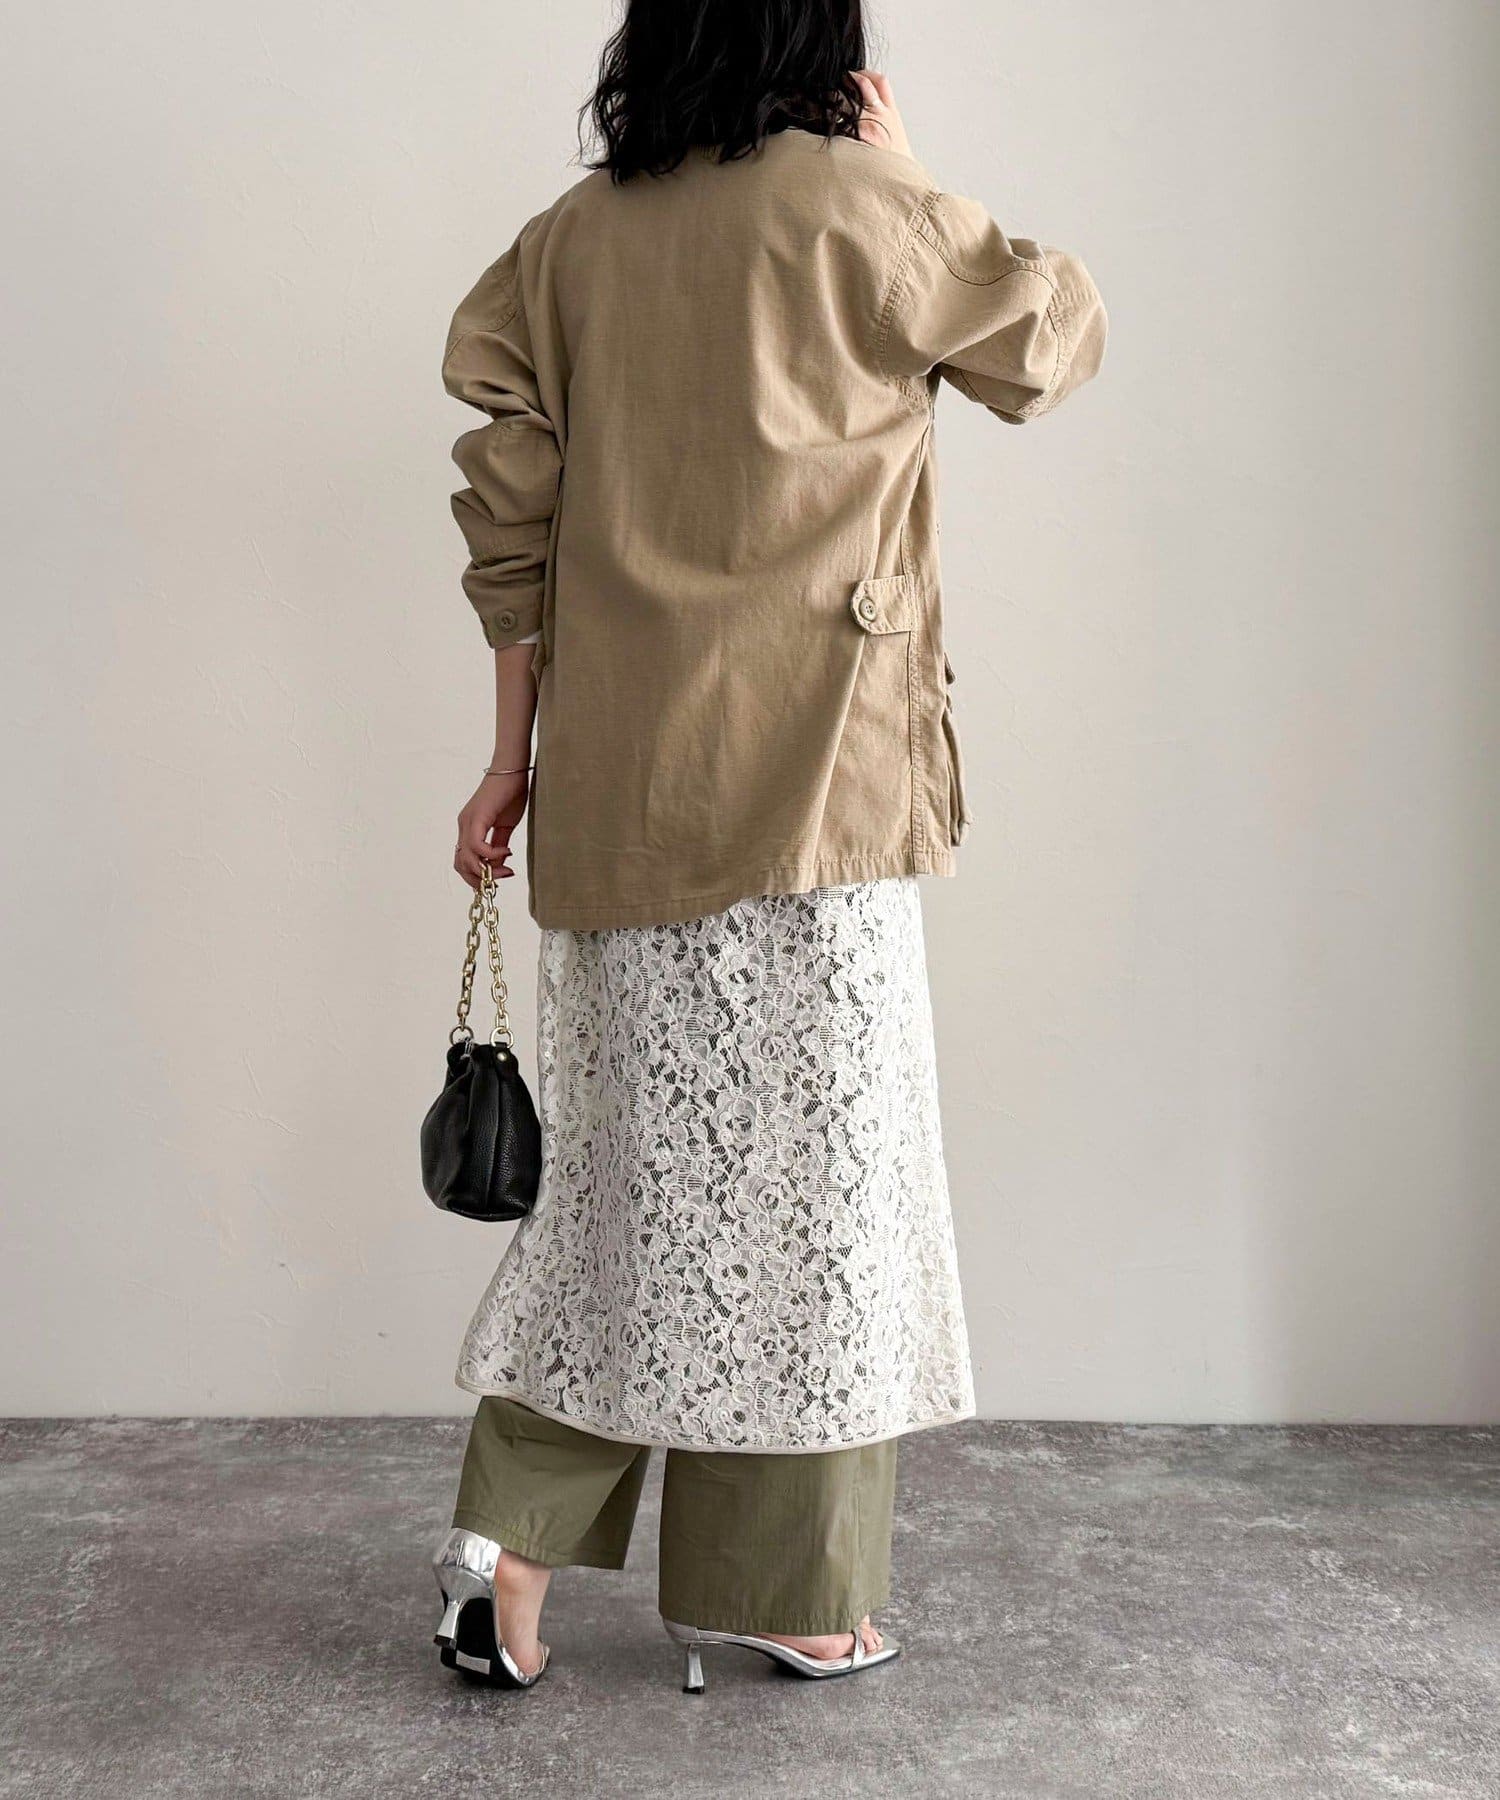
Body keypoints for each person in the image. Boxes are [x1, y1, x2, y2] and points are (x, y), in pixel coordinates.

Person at [430, 0, 1106, 1694]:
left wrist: (507, 765)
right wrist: (911, 173)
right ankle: (786, 1593)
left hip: (622, 793)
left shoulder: (568, 245)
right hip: (821, 800)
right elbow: (1050, 344)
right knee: (818, 1211)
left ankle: (505, 1549)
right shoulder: (865, 211)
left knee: (621, 1195)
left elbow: (512, 529)